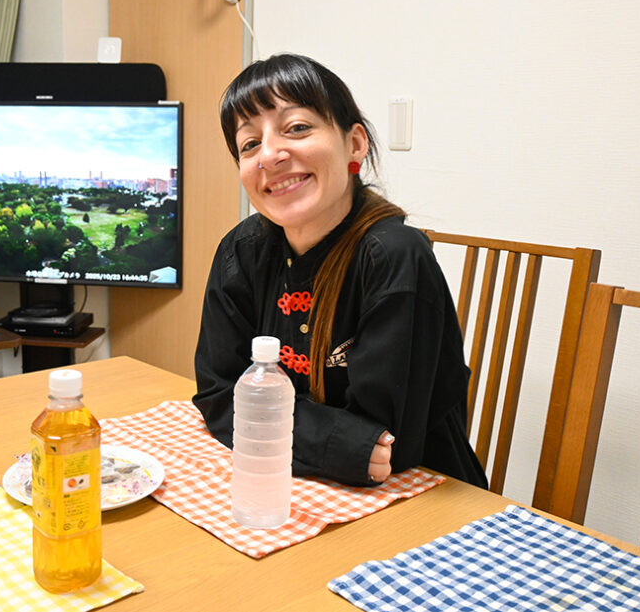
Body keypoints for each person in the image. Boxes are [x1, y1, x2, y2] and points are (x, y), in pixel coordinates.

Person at [192, 54, 488, 489]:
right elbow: (219, 393)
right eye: (250, 143)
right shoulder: (240, 252)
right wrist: (343, 443)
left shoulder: (393, 257)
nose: (270, 155)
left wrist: (267, 419)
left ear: (354, 144)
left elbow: (389, 445)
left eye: (296, 128)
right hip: (303, 484)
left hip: (421, 500)